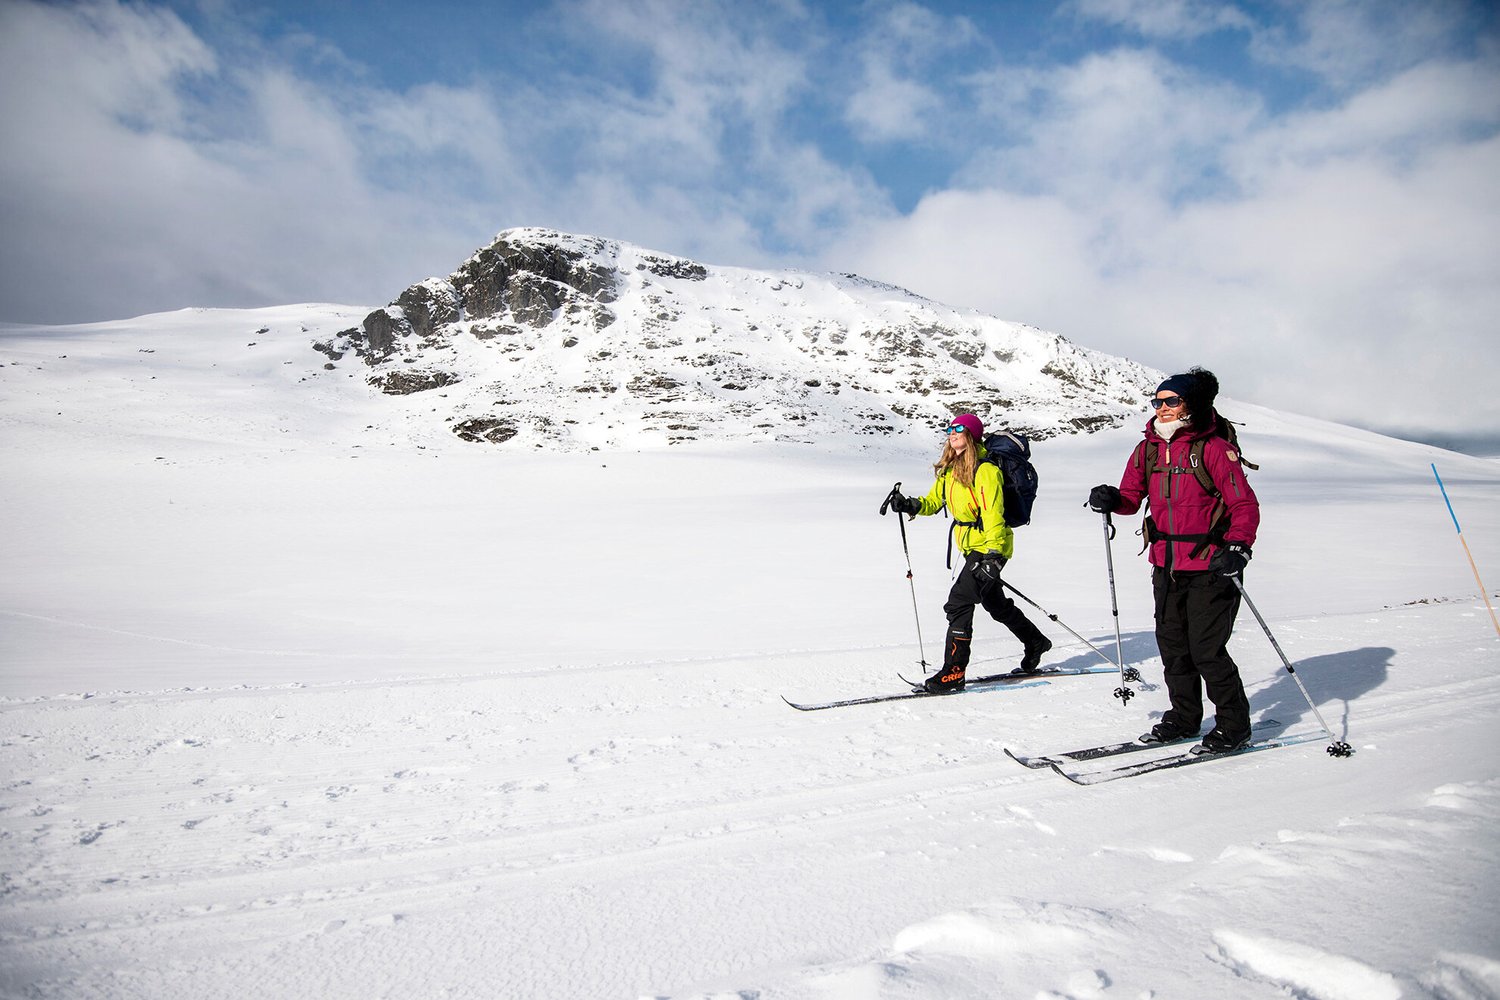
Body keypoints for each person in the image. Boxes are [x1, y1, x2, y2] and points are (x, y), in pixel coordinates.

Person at [1086, 368, 1260, 753]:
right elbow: (1131, 500)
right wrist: (1112, 499)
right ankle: (1184, 718)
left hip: (1212, 565)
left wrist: (1238, 547)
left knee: (1207, 650)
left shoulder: (1213, 448)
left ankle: (1234, 726)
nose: (1162, 408)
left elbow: (1243, 503)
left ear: (1191, 405)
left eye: (1171, 401)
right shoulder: (1147, 449)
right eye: (1158, 402)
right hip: (1166, 564)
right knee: (1173, 646)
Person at [888, 414, 1052, 692]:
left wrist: (993, 556)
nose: (952, 433)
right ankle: (1035, 641)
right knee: (995, 604)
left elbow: (993, 514)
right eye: (950, 428)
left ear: (973, 436)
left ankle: (954, 671)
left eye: (959, 429)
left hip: (989, 546)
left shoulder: (986, 471)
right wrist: (909, 505)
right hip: (970, 546)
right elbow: (932, 502)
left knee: (958, 603)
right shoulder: (950, 470)